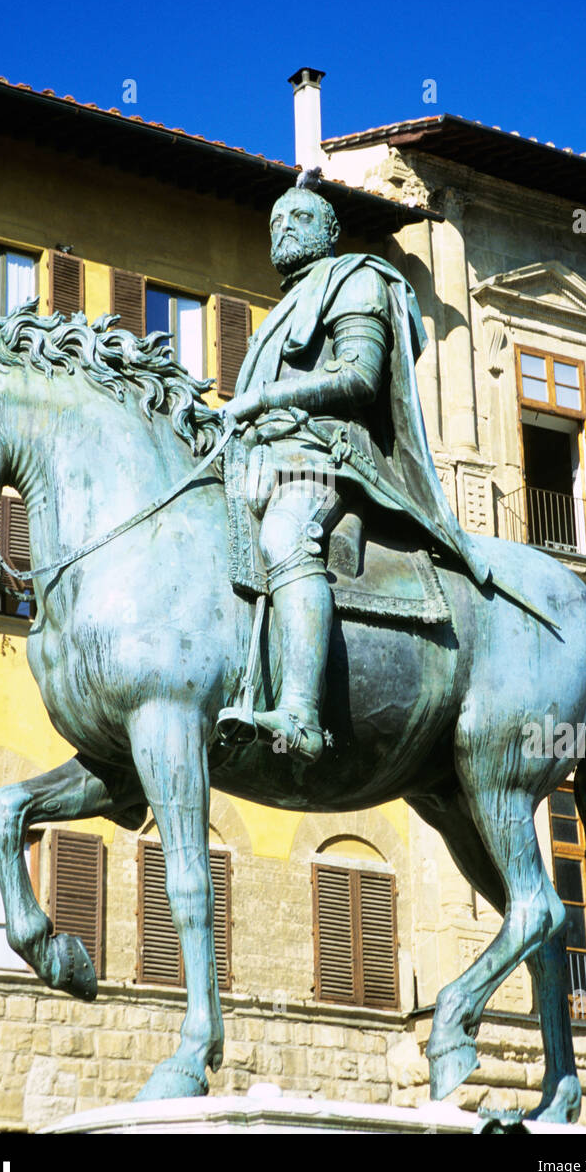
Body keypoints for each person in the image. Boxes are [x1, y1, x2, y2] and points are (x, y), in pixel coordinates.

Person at [222, 180, 491, 762]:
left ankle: (300, 713)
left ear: (329, 231)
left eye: (298, 216)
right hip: (263, 459)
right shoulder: (282, 311)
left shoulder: (355, 279)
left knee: (285, 536)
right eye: (275, 222)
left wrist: (265, 399)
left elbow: (359, 377)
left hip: (325, 463)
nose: (283, 227)